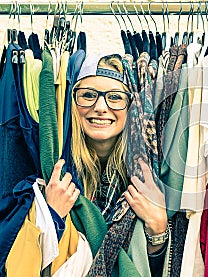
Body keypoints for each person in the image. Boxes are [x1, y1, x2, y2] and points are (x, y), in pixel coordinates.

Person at [44, 53, 168, 276]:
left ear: (130, 107)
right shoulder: (56, 172)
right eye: (88, 95)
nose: (101, 107)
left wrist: (158, 228)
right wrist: (51, 216)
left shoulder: (147, 175)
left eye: (115, 97)